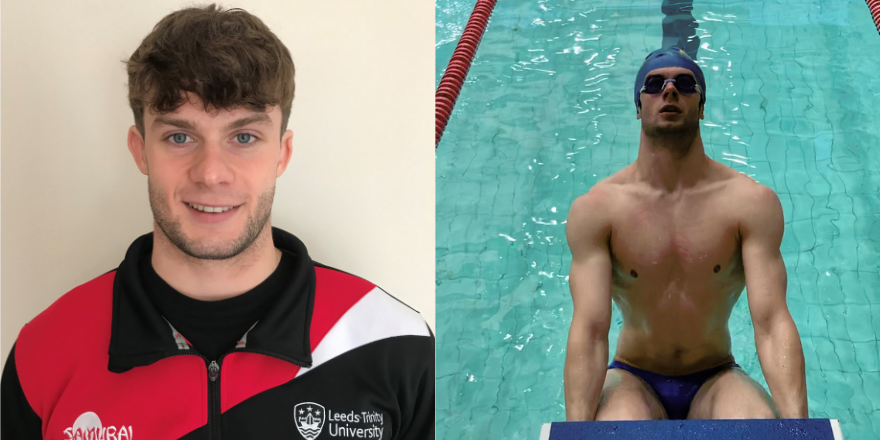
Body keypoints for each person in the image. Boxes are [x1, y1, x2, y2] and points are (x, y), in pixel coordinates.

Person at [1, 5, 434, 439]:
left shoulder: (394, 345)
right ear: (140, 150)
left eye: (244, 137)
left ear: (281, 154)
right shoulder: (43, 354)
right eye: (179, 137)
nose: (211, 173)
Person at [563, 47, 807, 421]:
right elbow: (591, 330)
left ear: (702, 106)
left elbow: (772, 322)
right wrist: (576, 432)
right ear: (638, 107)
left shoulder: (749, 203)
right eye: (655, 83)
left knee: (759, 427)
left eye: (686, 84)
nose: (670, 90)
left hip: (716, 374)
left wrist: (799, 429)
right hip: (632, 377)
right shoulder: (598, 210)